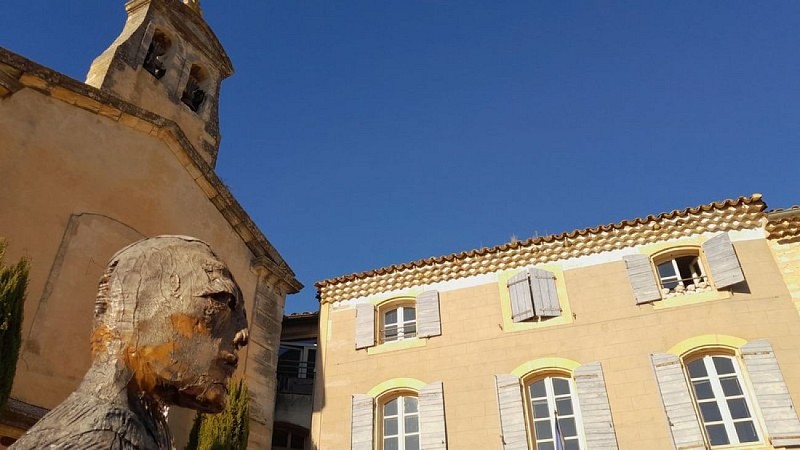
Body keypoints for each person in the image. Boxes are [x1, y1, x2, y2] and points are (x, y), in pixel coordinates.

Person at [11, 236, 249, 449]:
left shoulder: (140, 431)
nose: (242, 334)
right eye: (221, 299)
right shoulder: (100, 438)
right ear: (137, 303)